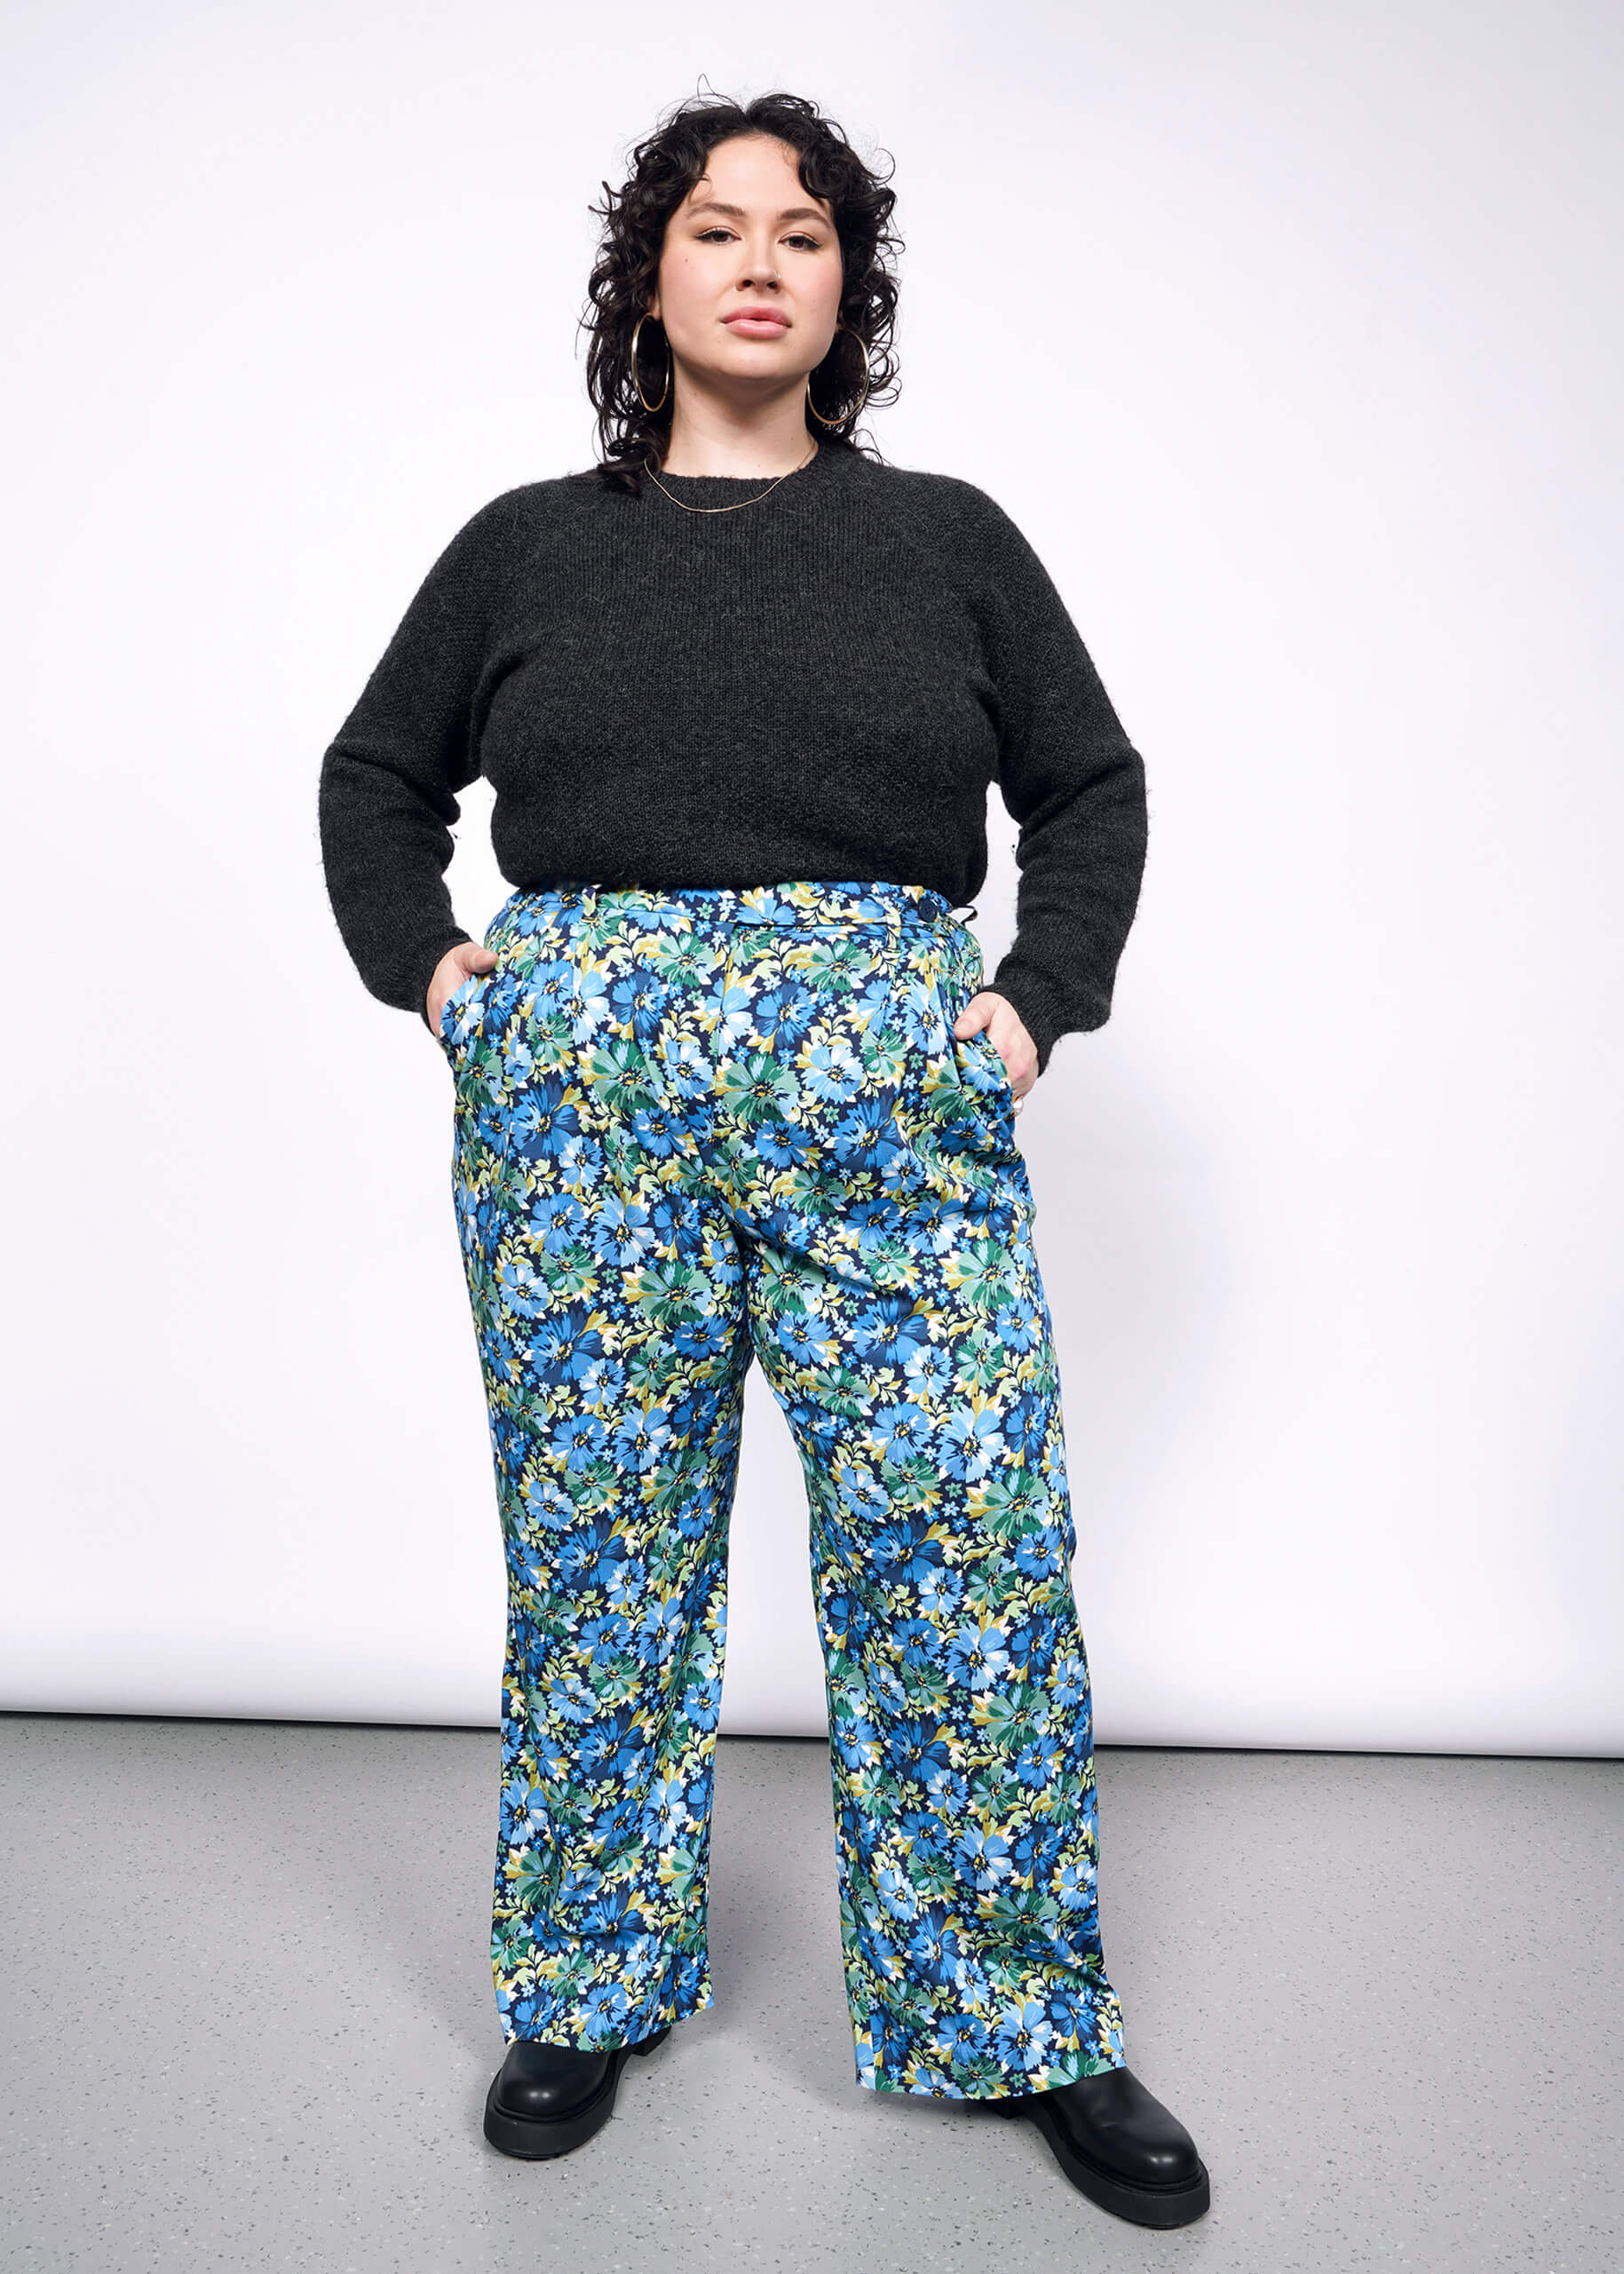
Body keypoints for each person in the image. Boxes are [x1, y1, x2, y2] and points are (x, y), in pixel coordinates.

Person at [316, 90, 1208, 2230]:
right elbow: (375, 775)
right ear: (650, 274)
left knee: (964, 1549)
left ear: (846, 290)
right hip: (582, 1110)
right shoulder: (529, 545)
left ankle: (1020, 2019)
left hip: (886, 1098)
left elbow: (1089, 786)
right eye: (715, 228)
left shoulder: (951, 543)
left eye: (803, 236)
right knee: (607, 1552)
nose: (757, 263)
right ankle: (590, 1983)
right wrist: (444, 981)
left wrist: (1030, 999)